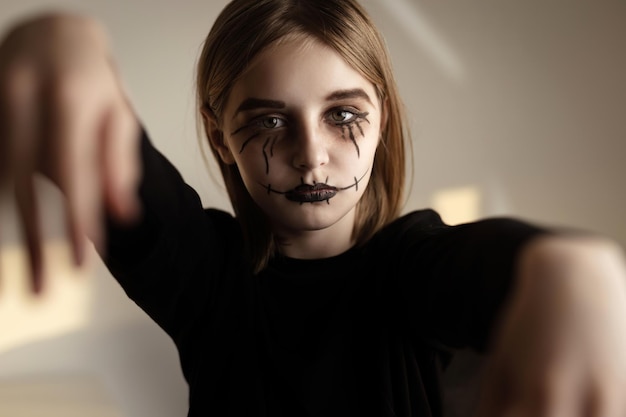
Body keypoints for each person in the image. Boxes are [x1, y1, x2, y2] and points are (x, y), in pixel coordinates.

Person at [1, 1, 626, 416]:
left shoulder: (410, 267)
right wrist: (59, 39)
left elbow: (477, 269)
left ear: (381, 121)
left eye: (344, 115)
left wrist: (568, 271)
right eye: (270, 121)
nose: (311, 157)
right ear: (219, 135)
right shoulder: (208, 277)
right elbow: (121, 172)